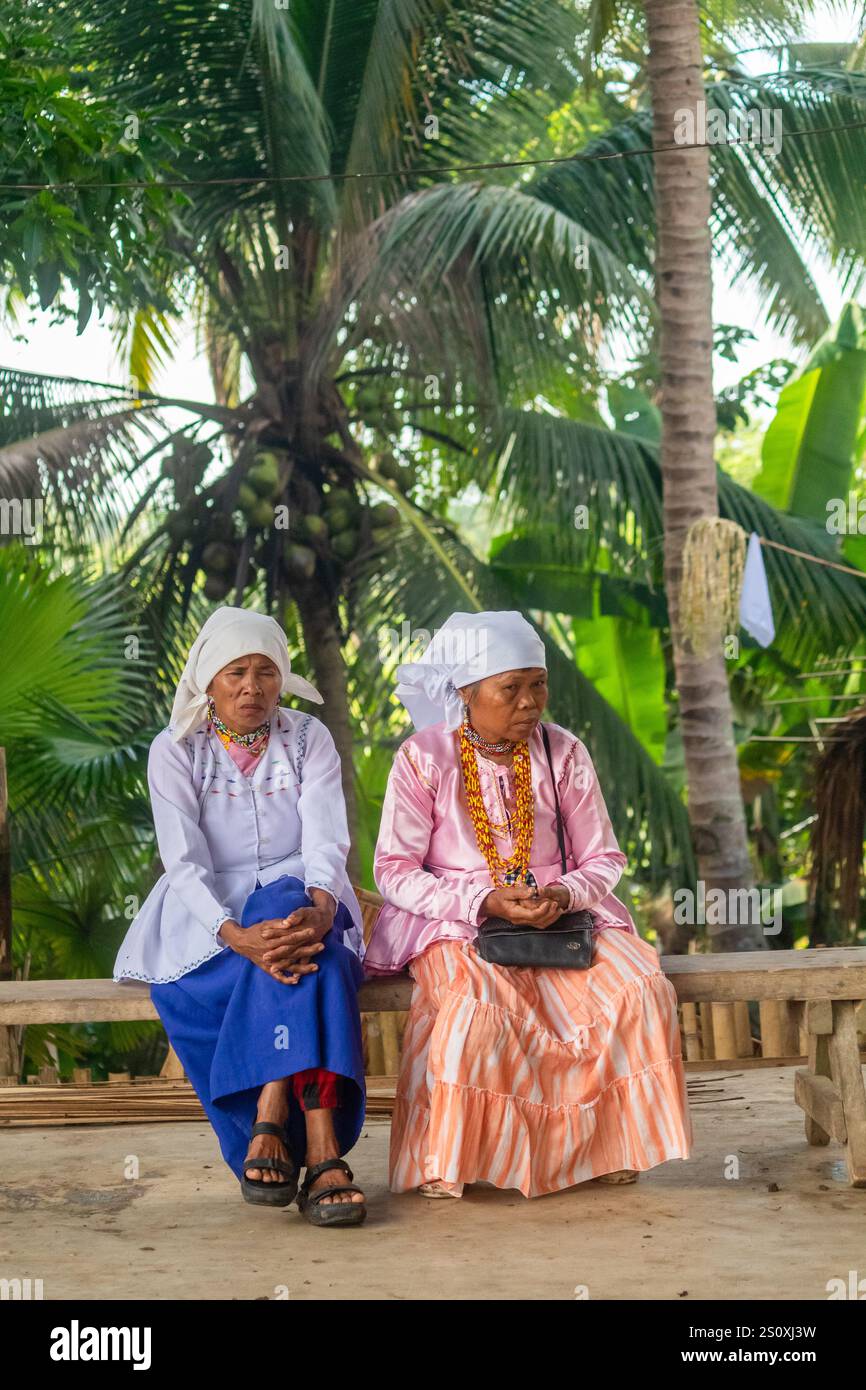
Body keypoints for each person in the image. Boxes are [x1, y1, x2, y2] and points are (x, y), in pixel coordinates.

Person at [364, 610, 693, 1199]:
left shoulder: (563, 752)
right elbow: (392, 871)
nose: (529, 702)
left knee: (638, 986)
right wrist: (484, 899)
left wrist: (563, 893)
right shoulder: (424, 758)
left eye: (537, 683)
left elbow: (604, 859)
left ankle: (606, 1149)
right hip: (455, 918)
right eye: (509, 688)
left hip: (560, 914)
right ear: (466, 693)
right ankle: (465, 1157)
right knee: (476, 1005)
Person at [113, 606, 367, 1226]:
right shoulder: (175, 749)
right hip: (211, 918)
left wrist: (321, 905)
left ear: (282, 678)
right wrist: (237, 935)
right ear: (208, 681)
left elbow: (326, 841)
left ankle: (269, 1116)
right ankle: (323, 1145)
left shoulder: (309, 737)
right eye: (236, 673)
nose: (252, 687)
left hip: (308, 900)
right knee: (319, 969)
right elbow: (183, 860)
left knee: (289, 911)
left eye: (265, 672)